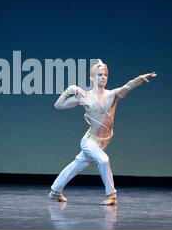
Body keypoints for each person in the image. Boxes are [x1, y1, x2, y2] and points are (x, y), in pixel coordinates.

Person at [48, 59, 157, 205]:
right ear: (92, 78)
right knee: (103, 160)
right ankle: (111, 195)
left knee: (77, 164)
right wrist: (70, 89)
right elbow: (58, 105)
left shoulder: (112, 95)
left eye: (105, 75)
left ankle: (55, 191)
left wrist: (139, 80)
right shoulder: (85, 97)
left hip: (104, 141)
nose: (103, 77)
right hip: (89, 141)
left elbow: (128, 86)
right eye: (99, 75)